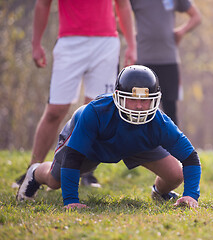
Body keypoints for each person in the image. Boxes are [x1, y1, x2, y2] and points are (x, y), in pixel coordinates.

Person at [16, 65, 201, 209]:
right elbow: (73, 157)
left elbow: (190, 157)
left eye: (144, 100)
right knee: (55, 180)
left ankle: (159, 193)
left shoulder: (160, 122)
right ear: (117, 96)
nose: (139, 106)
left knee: (176, 175)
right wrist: (71, 200)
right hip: (95, 146)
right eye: (133, 99)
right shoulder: (95, 113)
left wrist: (191, 194)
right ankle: (35, 172)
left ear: (154, 99)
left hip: (137, 143)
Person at [14, 0, 137, 188]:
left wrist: (131, 45)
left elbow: (123, 5)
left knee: (96, 111)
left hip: (106, 43)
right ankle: (33, 170)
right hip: (69, 43)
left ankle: (85, 172)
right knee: (55, 110)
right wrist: (36, 43)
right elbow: (42, 4)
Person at [130, 0, 201, 124]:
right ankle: (141, 143)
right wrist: (130, 36)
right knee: (140, 110)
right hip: (143, 63)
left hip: (169, 60)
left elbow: (196, 17)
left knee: (170, 111)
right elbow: (116, 15)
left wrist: (181, 31)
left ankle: (171, 143)